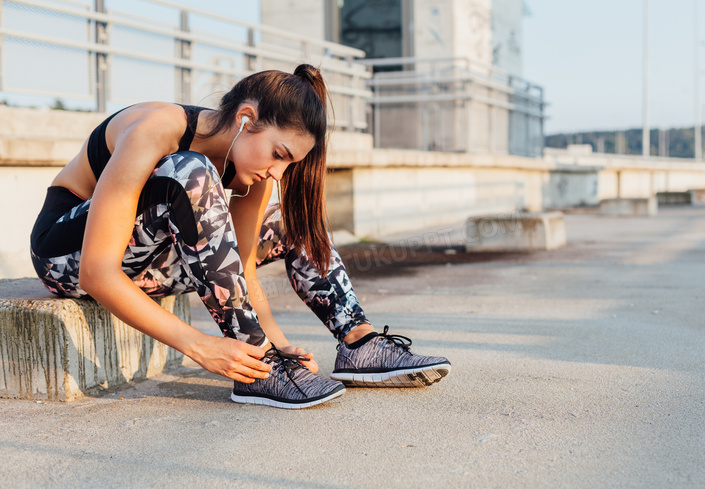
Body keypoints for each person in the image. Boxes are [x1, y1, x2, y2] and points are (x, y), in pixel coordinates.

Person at [29, 64, 451, 409]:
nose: (277, 172)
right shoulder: (157, 129)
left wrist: (280, 343)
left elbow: (242, 266)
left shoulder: (251, 171)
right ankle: (257, 370)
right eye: (279, 155)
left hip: (151, 262)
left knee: (290, 220)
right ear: (246, 118)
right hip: (66, 255)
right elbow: (96, 273)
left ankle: (357, 341)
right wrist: (200, 346)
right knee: (190, 171)